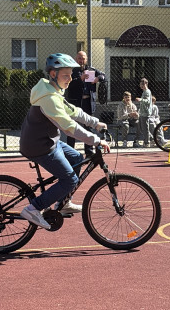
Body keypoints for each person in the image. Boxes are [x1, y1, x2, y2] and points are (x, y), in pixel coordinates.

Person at [19, 53, 110, 229]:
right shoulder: (49, 99)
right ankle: (33, 208)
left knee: (76, 158)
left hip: (48, 141)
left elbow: (74, 111)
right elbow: (69, 127)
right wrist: (96, 140)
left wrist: (96, 123)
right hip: (39, 146)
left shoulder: (53, 91)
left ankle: (64, 202)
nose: (69, 79)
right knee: (70, 180)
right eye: (65, 75)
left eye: (71, 75)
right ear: (53, 74)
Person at [65, 50, 105, 155]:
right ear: (75, 59)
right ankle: (70, 150)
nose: (81, 60)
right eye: (79, 58)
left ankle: (89, 150)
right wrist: (80, 79)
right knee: (72, 126)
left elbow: (104, 76)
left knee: (89, 127)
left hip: (88, 102)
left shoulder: (91, 70)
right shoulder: (71, 71)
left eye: (83, 58)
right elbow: (69, 85)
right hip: (75, 102)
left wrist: (98, 78)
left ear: (86, 59)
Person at [135, 77, 153, 147]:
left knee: (145, 128)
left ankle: (147, 142)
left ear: (145, 84)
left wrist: (140, 99)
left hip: (145, 113)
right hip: (142, 112)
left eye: (141, 85)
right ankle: (152, 138)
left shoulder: (147, 92)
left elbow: (148, 101)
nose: (140, 86)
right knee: (142, 127)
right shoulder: (144, 92)